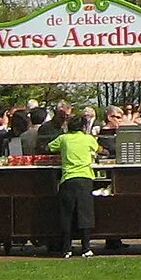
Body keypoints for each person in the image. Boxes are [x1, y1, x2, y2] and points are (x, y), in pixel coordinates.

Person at [47, 109, 101, 257]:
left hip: (68, 179)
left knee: (67, 215)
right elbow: (98, 149)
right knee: (85, 214)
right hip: (85, 179)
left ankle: (66, 249)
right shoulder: (88, 139)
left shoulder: (63, 139)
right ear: (83, 127)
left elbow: (49, 147)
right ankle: (86, 248)